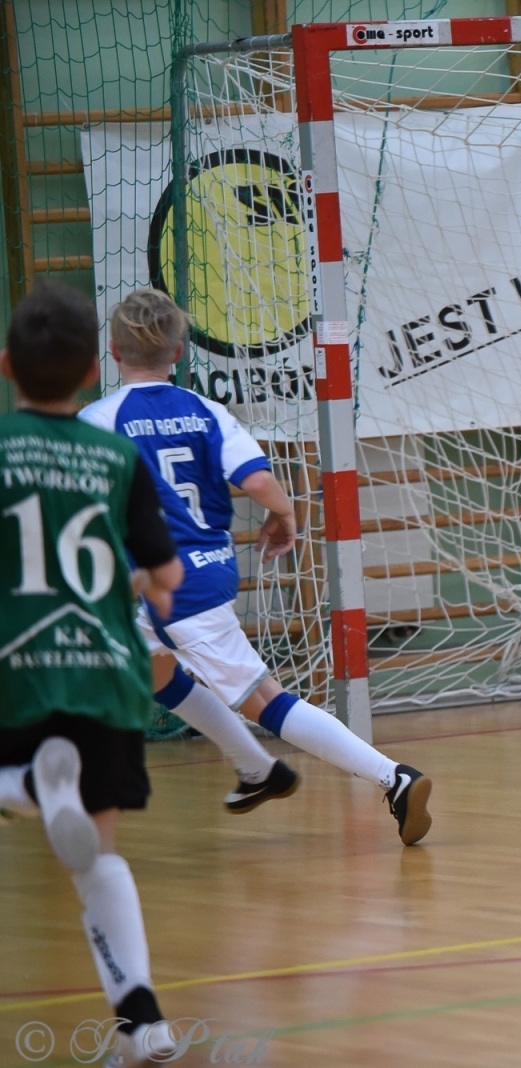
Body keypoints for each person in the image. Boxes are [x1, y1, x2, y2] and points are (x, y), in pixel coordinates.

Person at [80, 289, 432, 845]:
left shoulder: (99, 420)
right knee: (155, 673)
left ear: (114, 353)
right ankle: (255, 771)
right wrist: (284, 513)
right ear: (178, 353)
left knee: (265, 699)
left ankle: (393, 777)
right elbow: (259, 481)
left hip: (165, 584)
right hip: (207, 569)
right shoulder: (206, 412)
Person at [0, 282, 186, 1066]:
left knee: (46, 799)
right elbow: (166, 577)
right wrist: (135, 580)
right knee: (99, 858)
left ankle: (24, 788)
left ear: (6, 367)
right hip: (106, 672)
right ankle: (143, 1022)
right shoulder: (117, 456)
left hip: (19, 667)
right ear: (89, 376)